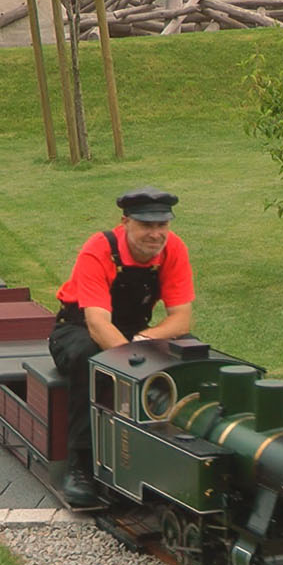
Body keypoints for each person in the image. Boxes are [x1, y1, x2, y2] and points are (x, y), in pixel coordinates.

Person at [48, 188, 194, 507]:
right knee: (89, 358)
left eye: (162, 226)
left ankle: (181, 450)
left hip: (134, 332)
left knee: (190, 350)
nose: (155, 234)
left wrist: (144, 340)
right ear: (125, 222)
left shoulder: (174, 250)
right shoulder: (98, 249)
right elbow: (98, 324)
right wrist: (138, 365)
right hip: (78, 328)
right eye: (146, 225)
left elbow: (181, 320)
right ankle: (81, 466)